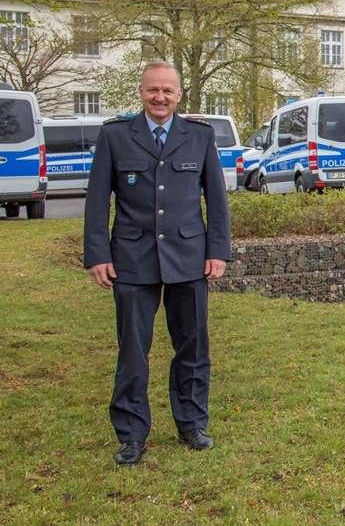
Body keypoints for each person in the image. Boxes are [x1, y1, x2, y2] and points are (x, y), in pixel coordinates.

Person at [83, 61, 232, 465]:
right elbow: (97, 201)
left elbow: (216, 200)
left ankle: (191, 424)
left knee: (193, 345)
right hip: (132, 260)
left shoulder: (199, 136)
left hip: (189, 259)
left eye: (168, 91)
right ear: (141, 92)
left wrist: (217, 250)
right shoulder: (115, 136)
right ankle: (131, 434)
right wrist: (97, 254)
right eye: (153, 90)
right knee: (133, 350)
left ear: (180, 94)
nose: (160, 98)